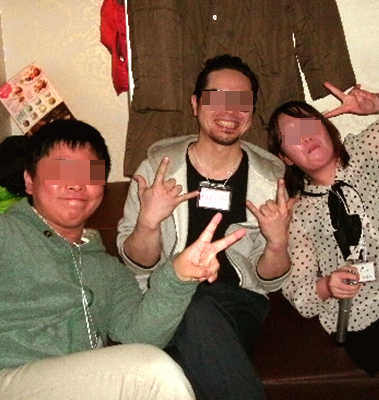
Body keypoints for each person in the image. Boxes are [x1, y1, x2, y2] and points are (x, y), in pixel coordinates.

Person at [0, 119, 246, 400]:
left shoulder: (109, 270)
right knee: (152, 374)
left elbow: (140, 339)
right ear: (29, 181)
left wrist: (178, 277)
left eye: (89, 173)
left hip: (72, 387)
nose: (76, 184)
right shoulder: (6, 234)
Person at [117, 54, 295, 400]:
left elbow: (269, 280)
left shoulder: (269, 180)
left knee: (197, 307)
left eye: (242, 101)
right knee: (183, 346)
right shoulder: (157, 169)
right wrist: (149, 223)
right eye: (218, 98)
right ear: (196, 104)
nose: (230, 111)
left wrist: (277, 243)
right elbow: (138, 263)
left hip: (237, 302)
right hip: (163, 298)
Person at [267, 80, 379, 381]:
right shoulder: (297, 215)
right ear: (285, 157)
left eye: (309, 125)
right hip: (374, 314)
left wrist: (378, 103)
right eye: (293, 136)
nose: (306, 137)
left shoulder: (368, 148)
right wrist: (328, 285)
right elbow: (300, 294)